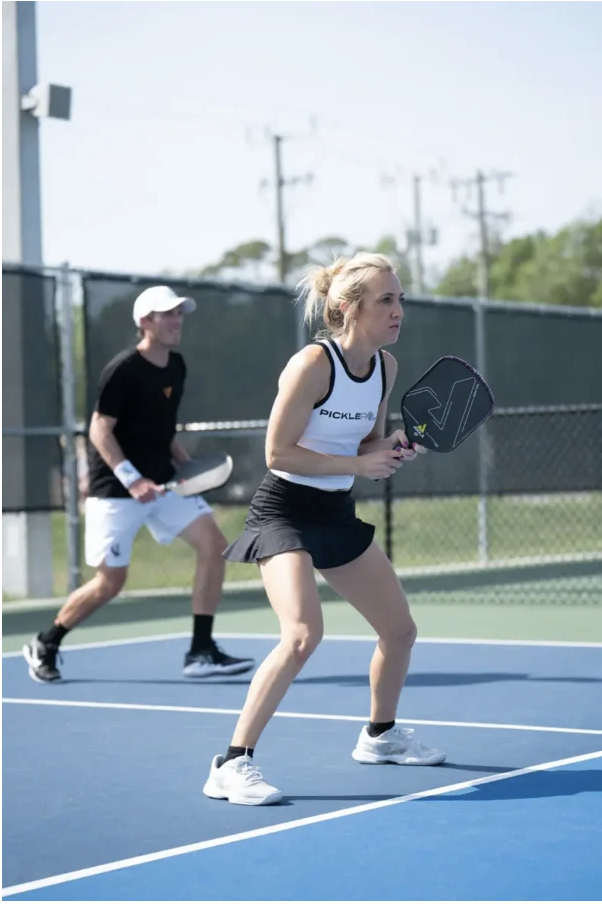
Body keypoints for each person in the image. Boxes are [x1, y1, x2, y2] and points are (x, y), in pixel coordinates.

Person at [202, 253, 446, 806]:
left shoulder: (385, 367)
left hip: (333, 512)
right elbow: (277, 452)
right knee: (302, 634)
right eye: (386, 300)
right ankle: (231, 762)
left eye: (400, 299)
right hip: (284, 510)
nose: (398, 310)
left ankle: (380, 736)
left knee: (400, 632)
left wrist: (392, 448)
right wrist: (361, 466)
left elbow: (364, 445)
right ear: (346, 308)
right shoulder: (313, 364)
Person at [23, 285, 255, 683]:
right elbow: (99, 429)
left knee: (215, 545)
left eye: (180, 313)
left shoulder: (176, 366)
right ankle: (47, 641)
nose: (177, 320)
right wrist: (131, 480)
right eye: (168, 314)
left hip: (163, 485)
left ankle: (200, 651)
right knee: (111, 582)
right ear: (145, 322)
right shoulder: (123, 370)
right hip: (115, 492)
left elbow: (161, 430)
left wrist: (187, 467)